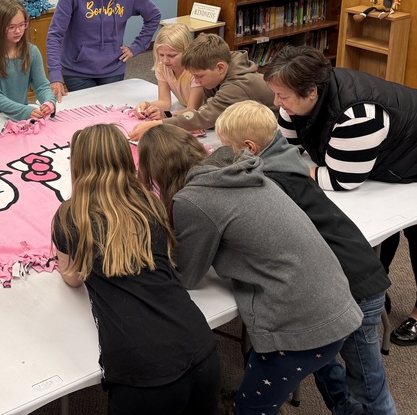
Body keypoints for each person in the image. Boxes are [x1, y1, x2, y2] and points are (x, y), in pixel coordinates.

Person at [263, 45, 417, 347]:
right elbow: (286, 150)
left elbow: (340, 179)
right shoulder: (297, 96)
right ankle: (377, 290)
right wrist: (287, 163)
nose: (277, 103)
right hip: (392, 152)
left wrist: (295, 171)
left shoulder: (357, 116)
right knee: (381, 226)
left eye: (281, 97)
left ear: (311, 92)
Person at [137, 124, 361, 415]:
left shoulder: (194, 199)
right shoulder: (241, 170)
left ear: (156, 171)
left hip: (297, 327)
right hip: (333, 304)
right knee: (330, 378)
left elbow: (186, 275)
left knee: (250, 410)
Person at [216, 101, 396, 415]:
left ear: (249, 147)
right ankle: (344, 408)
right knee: (322, 360)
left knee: (368, 385)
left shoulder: (270, 184)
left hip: (354, 289)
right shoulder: (286, 160)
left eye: (226, 150)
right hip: (337, 286)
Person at [51, 123, 220, 414]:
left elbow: (72, 278)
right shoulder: (150, 201)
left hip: (144, 372)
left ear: (77, 165)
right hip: (201, 347)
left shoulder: (70, 215)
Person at [131, 32, 273, 140]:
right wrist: (166, 116)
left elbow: (204, 117)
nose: (197, 82)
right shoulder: (218, 70)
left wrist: (156, 125)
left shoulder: (238, 85)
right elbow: (207, 111)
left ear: (220, 68)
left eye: (199, 76)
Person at [0, 0, 56, 121]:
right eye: (11, 27)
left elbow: (41, 86)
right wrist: (26, 111)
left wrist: (49, 102)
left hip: (19, 114)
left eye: (22, 25)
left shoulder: (32, 52)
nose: (18, 31)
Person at [134, 22, 204, 121]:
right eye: (161, 55)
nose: (165, 60)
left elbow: (193, 110)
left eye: (172, 56)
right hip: (186, 110)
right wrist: (147, 105)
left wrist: (166, 116)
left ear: (186, 51)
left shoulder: (195, 71)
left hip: (206, 115)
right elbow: (165, 102)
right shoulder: (162, 67)